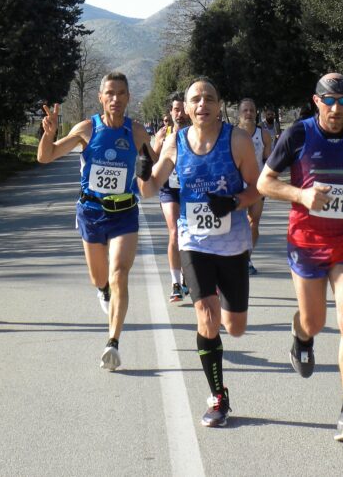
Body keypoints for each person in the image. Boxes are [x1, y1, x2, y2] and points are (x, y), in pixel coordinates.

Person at [257, 73, 343, 442]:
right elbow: (265, 182)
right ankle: (301, 336)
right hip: (306, 241)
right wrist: (302, 196)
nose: (336, 108)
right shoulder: (297, 134)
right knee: (314, 320)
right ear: (316, 101)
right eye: (329, 101)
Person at [137, 77, 261, 427]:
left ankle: (222, 297)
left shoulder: (236, 140)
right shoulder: (176, 141)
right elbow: (150, 189)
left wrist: (235, 202)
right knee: (207, 317)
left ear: (219, 104)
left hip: (233, 244)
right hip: (194, 241)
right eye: (196, 99)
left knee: (234, 327)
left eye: (209, 98)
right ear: (186, 107)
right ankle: (218, 397)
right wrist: (143, 173)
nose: (202, 104)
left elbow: (258, 188)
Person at [37, 71, 153, 372]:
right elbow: (45, 157)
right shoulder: (88, 128)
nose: (115, 99)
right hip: (91, 212)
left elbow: (154, 165)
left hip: (125, 213)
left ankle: (112, 342)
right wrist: (48, 133)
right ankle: (102, 291)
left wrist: (153, 160)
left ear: (128, 97)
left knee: (120, 274)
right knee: (100, 279)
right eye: (110, 93)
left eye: (121, 93)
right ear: (101, 97)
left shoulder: (137, 131)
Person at [152, 93, 190, 301]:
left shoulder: (197, 134)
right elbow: (152, 160)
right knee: (175, 231)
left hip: (192, 189)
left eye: (183, 109)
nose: (180, 114)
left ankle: (187, 276)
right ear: (171, 112)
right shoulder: (163, 135)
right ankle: (176, 282)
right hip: (169, 189)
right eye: (176, 109)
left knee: (190, 233)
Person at [237, 97, 272, 275]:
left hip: (257, 185)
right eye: (245, 110)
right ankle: (235, 257)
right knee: (237, 223)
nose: (249, 113)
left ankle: (247, 258)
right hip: (236, 184)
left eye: (252, 110)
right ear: (239, 114)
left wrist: (269, 181)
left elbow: (268, 161)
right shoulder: (232, 133)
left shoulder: (264, 134)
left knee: (253, 222)